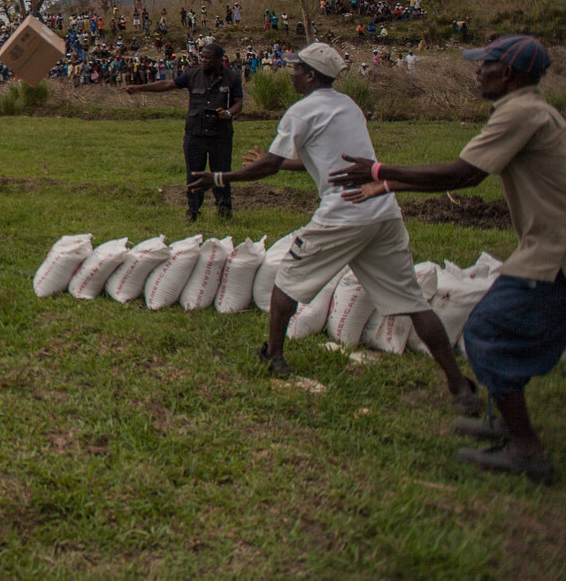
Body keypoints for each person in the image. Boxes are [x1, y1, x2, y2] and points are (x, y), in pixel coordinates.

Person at [189, 42, 479, 414]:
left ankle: (274, 355)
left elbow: (270, 167)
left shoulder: (301, 112)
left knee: (286, 280)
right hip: (383, 213)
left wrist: (219, 177)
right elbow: (320, 160)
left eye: (295, 68)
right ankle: (459, 387)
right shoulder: (349, 107)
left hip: (343, 215)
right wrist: (272, 161)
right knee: (413, 302)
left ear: (311, 75)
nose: (290, 72)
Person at [329, 35, 563, 485]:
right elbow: (470, 176)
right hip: (547, 247)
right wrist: (390, 186)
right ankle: (503, 423)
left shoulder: (519, 113)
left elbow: (462, 174)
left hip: (552, 253)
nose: (478, 72)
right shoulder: (534, 109)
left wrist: (380, 170)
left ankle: (526, 449)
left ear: (508, 74)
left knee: (488, 334)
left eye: (485, 65)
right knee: (499, 332)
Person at [126, 42, 243, 220]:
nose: (203, 60)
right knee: (194, 173)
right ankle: (193, 210)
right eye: (201, 56)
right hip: (195, 133)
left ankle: (224, 210)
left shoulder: (232, 78)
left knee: (221, 173)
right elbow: (167, 84)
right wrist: (140, 88)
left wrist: (227, 113)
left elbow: (238, 103)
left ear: (220, 59)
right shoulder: (192, 75)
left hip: (221, 134)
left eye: (208, 58)